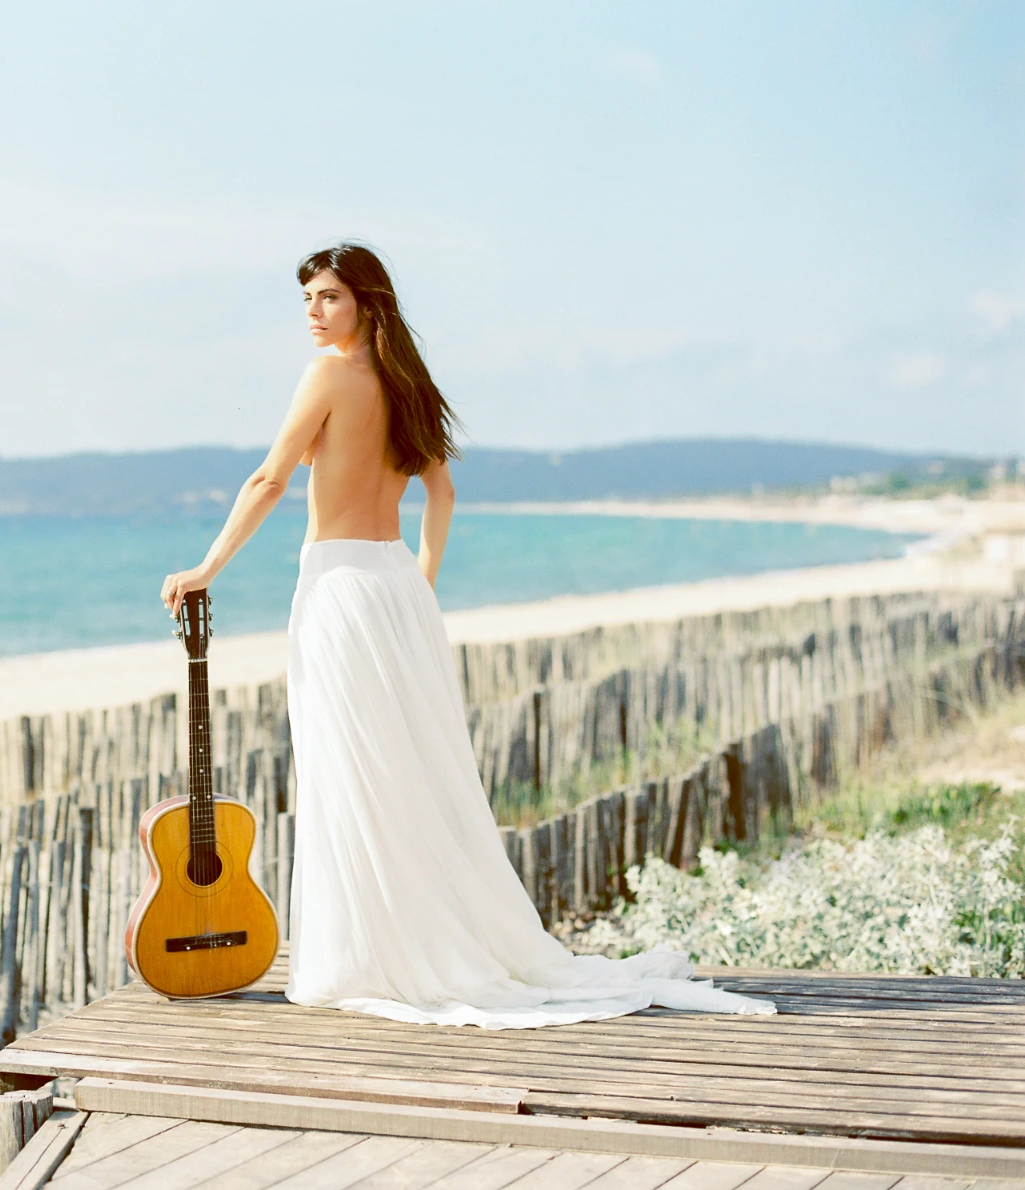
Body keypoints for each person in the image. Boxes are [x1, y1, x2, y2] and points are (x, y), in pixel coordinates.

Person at [160, 243, 774, 1028]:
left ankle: (368, 952)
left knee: (354, 771)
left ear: (367, 303)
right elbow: (441, 489)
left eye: (329, 297)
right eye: (308, 299)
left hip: (342, 588)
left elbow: (270, 479)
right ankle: (407, 943)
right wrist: (422, 577)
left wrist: (209, 565)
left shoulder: (330, 376)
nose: (314, 312)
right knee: (409, 772)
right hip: (397, 590)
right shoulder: (410, 387)